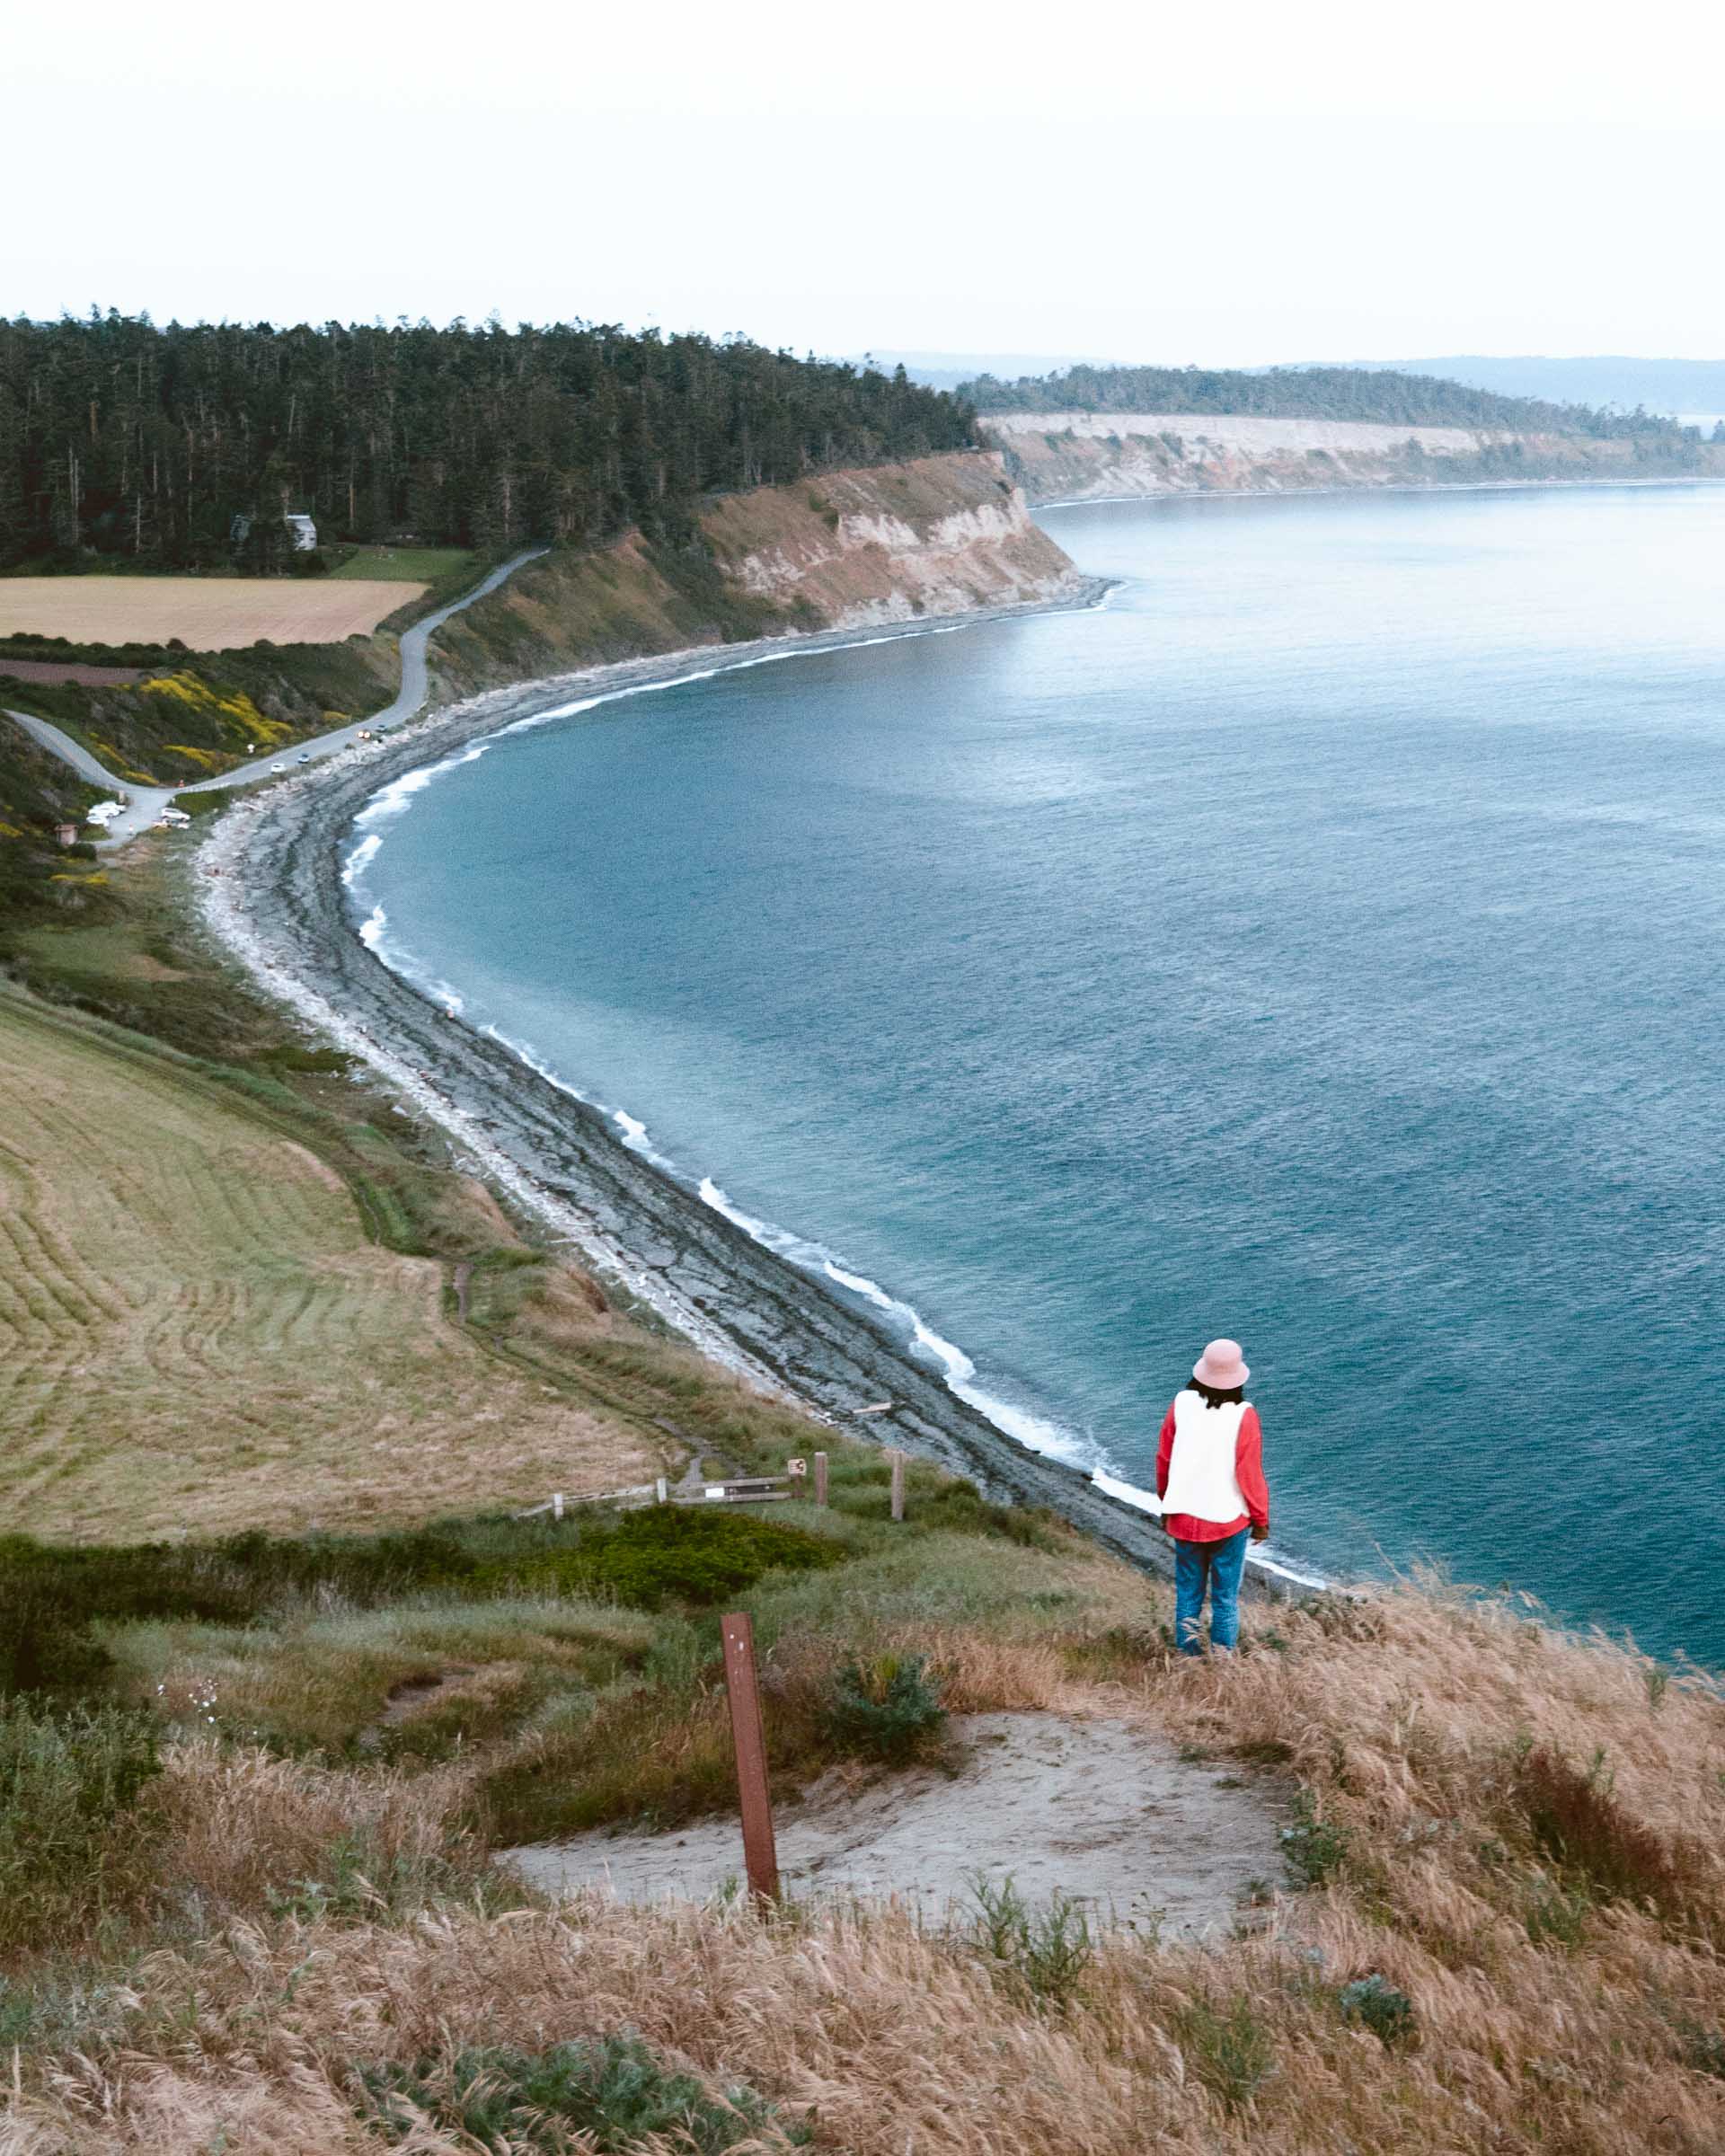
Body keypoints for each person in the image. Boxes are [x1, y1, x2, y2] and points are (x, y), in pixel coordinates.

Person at [1154, 1339, 1270, 1657]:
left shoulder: (1181, 1403)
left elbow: (1164, 1458)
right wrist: (1261, 1520)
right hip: (1227, 1521)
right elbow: (1250, 1475)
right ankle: (1222, 1664)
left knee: (1188, 1594)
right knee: (1224, 1598)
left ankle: (1187, 1660)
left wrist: (1167, 1502)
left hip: (1183, 1515)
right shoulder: (1244, 1414)